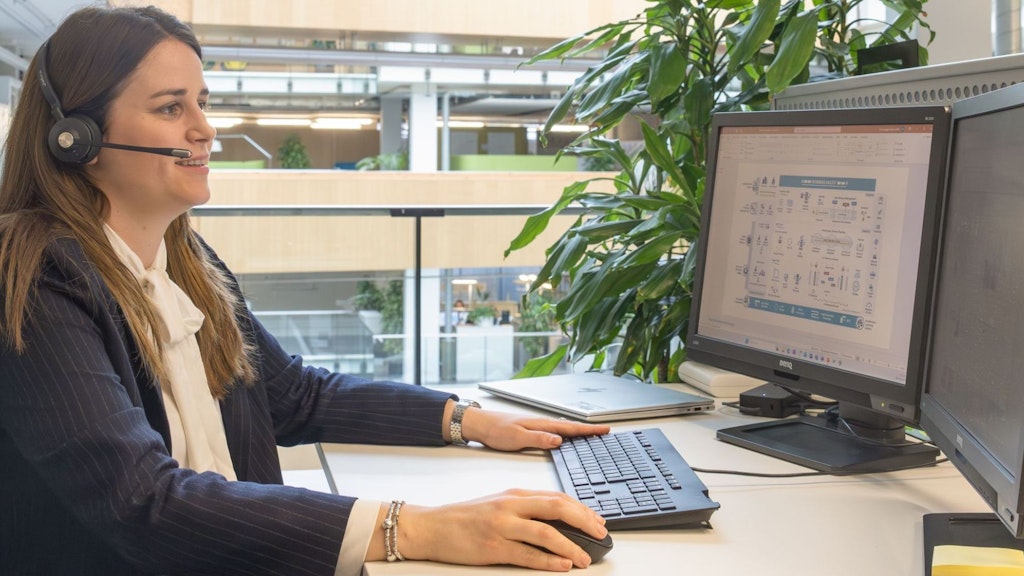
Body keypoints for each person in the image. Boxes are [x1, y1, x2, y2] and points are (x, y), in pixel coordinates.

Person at [0, 6, 610, 575]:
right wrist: (414, 529)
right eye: (170, 109)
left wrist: (467, 420)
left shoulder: (184, 261)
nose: (205, 129)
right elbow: (140, 500)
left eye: (203, 104)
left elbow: (294, 395)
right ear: (75, 137)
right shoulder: (32, 276)